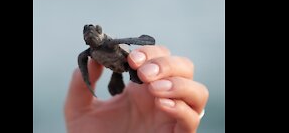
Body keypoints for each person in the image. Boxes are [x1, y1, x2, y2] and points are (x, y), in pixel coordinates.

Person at [64, 45, 209, 133]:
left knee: (139, 72)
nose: (90, 34)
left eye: (95, 31)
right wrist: (87, 84)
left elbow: (126, 47)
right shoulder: (86, 54)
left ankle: (138, 75)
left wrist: (140, 42)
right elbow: (83, 66)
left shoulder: (108, 43)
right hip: (115, 69)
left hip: (124, 62)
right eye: (86, 32)